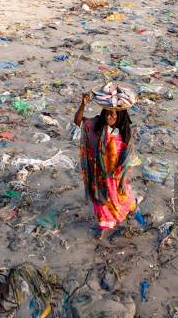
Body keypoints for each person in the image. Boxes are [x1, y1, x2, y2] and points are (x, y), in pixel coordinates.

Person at [74, 92, 136, 243]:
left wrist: (122, 181)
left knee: (125, 201)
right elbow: (78, 122)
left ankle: (133, 216)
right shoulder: (97, 126)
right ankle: (105, 227)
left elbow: (128, 160)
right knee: (102, 204)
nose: (109, 117)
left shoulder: (126, 133)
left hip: (117, 177)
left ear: (120, 116)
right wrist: (83, 104)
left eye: (113, 115)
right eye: (107, 114)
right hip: (99, 177)